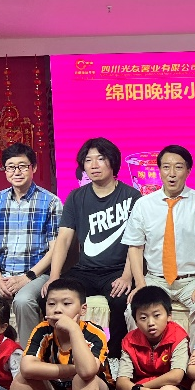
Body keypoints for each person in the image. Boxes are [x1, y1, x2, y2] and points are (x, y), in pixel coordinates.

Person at [45, 138, 140, 357]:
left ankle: (114, 357)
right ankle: (62, 353)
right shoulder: (76, 197)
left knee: (120, 301)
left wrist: (127, 276)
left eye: (100, 159)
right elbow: (64, 239)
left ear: (113, 162)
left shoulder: (132, 196)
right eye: (88, 160)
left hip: (117, 270)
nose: (94, 165)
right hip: (85, 270)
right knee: (53, 296)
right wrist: (54, 277)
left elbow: (136, 242)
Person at [0, 143, 62, 348]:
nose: (17, 172)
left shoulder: (51, 202)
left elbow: (55, 249)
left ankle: (30, 357)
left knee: (23, 301)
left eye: (23, 166)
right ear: (5, 171)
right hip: (2, 275)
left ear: (33, 168)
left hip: (36, 275)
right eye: (11, 167)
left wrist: (28, 277)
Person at [122, 145, 195, 342]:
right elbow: (135, 247)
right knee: (133, 309)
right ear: (159, 170)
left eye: (178, 167)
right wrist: (141, 284)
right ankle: (143, 357)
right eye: (166, 167)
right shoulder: (144, 204)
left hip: (192, 279)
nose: (172, 173)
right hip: (156, 279)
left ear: (188, 171)